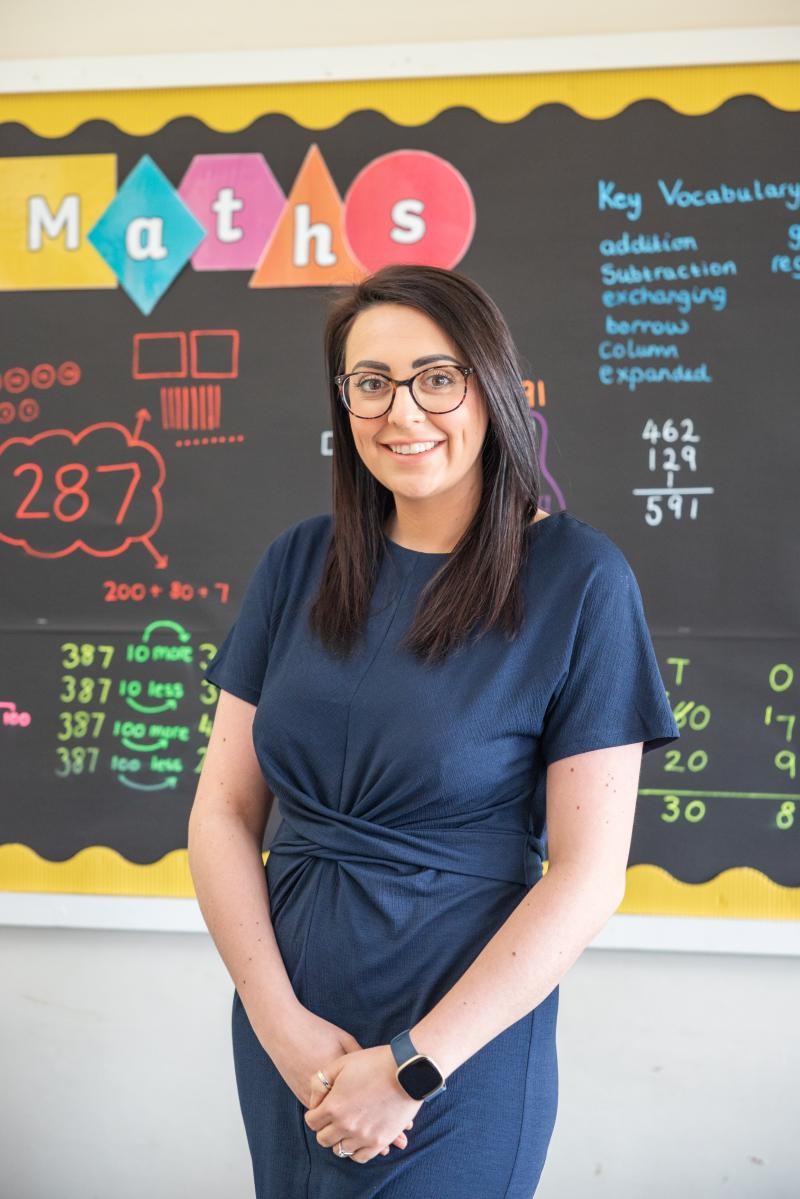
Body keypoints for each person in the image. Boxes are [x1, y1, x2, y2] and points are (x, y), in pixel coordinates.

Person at [188, 263, 680, 1197]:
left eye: (436, 377)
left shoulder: (580, 579)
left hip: (454, 1057)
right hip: (289, 1039)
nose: (402, 411)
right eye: (371, 382)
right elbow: (222, 809)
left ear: (492, 389)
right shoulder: (298, 562)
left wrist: (413, 1064)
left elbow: (588, 874)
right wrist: (278, 1022)